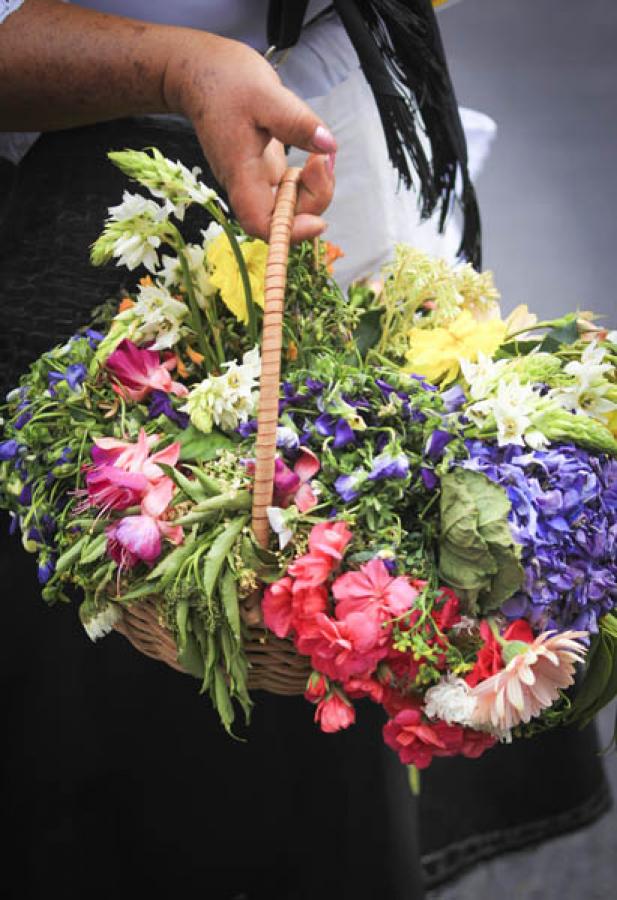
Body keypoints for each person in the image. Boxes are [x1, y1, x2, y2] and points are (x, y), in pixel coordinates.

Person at [0, 2, 609, 898]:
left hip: (314, 137)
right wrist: (181, 68)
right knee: (114, 750)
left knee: (306, 763)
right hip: (97, 219)